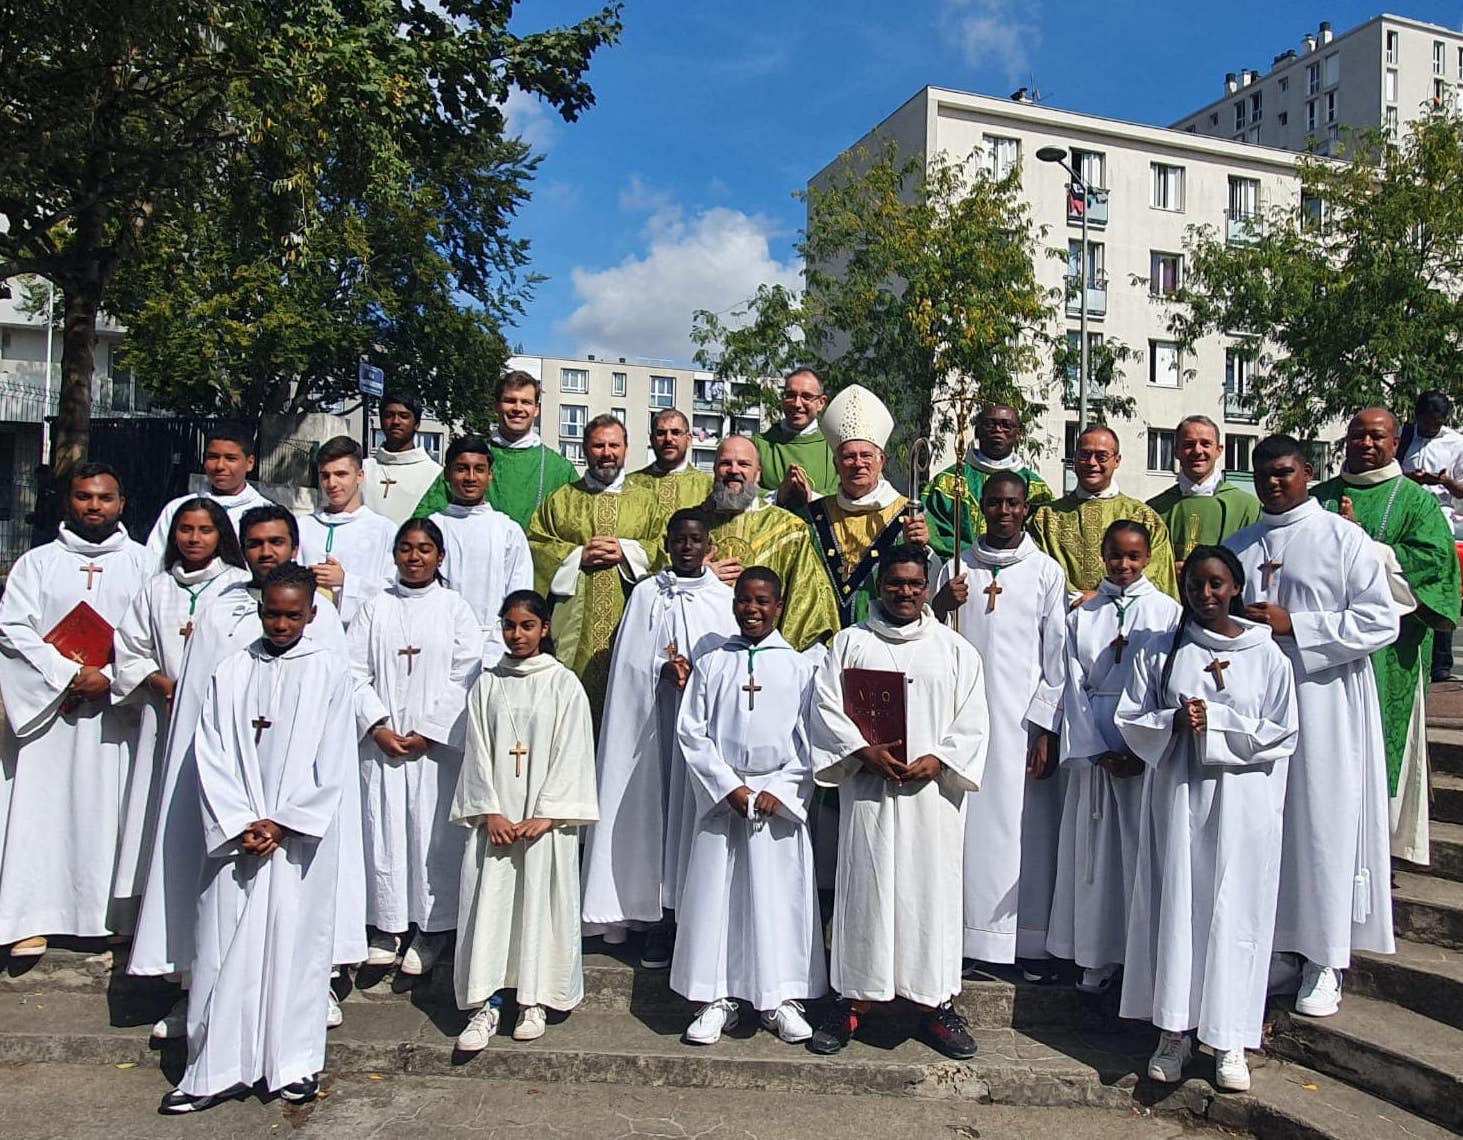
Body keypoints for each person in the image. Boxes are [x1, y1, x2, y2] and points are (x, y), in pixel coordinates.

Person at [128, 506, 353, 1038]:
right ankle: (198, 987)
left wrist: (290, 810)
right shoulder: (220, 611)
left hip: (294, 792)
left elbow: (333, 714)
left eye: (277, 541)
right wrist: (225, 798)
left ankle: (309, 985)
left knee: (297, 898)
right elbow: (195, 713)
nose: (266, 552)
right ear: (242, 549)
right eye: (254, 543)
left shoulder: (317, 613)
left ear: (294, 546)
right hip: (227, 785)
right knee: (215, 897)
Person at [159, 565, 358, 1114]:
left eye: (294, 614)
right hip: (238, 839)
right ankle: (213, 1068)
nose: (282, 623)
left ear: (312, 615)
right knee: (222, 949)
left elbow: (335, 762)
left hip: (296, 846)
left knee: (296, 951)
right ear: (260, 609)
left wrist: (284, 822)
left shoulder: (330, 673)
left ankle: (293, 1066)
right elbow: (211, 749)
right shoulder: (232, 669)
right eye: (272, 612)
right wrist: (242, 819)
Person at [1224, 435, 1399, 1018]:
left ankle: (1325, 957)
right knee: (1266, 820)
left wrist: (1296, 624)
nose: (1275, 483)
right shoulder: (1239, 546)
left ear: (1308, 471)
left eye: (1285, 472)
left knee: (1320, 820)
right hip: (1256, 704)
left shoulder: (1345, 540)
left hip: (1324, 698)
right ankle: (1276, 946)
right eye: (1265, 474)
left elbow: (1380, 622)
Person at [1116, 546, 1298, 1094]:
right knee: (1178, 911)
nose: (1206, 594)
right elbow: (1131, 717)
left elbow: (1281, 732)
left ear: (1235, 587)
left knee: (1234, 916)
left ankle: (1230, 1039)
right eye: (1196, 584)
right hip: (1179, 801)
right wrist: (1172, 720)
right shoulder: (1165, 649)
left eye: (1217, 584)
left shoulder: (1268, 655)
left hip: (1243, 805)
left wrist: (1214, 722)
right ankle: (1173, 1032)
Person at [806, 547, 989, 1059]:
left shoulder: (954, 650)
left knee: (928, 897)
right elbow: (823, 709)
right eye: (894, 583)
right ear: (880, 586)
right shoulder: (849, 644)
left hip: (931, 799)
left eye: (914, 583)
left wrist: (939, 759)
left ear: (927, 587)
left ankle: (935, 1004)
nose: (905, 592)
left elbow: (973, 721)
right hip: (870, 793)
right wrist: (861, 750)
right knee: (867, 893)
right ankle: (851, 1003)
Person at [671, 567, 828, 1045]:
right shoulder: (713, 663)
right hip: (725, 802)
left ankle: (781, 998)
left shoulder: (798, 667)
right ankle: (716, 996)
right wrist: (727, 787)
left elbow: (813, 737)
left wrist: (782, 788)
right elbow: (691, 732)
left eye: (763, 601)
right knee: (718, 899)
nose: (752, 610)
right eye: (744, 600)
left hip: (777, 803)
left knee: (779, 900)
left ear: (779, 607)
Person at [0, 464, 150, 958]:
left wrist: (109, 677)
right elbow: (12, 629)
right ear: (69, 501)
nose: (94, 507)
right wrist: (68, 673)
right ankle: (31, 916)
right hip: (52, 714)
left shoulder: (144, 564)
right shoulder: (37, 563)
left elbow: (154, 633)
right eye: (84, 497)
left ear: (121, 504)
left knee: (115, 807)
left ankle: (114, 915)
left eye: (104, 498)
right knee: (44, 808)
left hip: (116, 712)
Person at [580, 509, 737, 968]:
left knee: (690, 819)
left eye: (696, 540)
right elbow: (628, 667)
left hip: (696, 735)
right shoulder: (647, 594)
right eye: (679, 540)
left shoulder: (722, 599)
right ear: (667, 544)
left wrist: (699, 674)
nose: (688, 548)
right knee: (650, 816)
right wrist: (660, 670)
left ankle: (689, 916)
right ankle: (650, 918)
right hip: (649, 728)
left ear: (709, 547)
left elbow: (727, 663)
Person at [933, 472, 1067, 979]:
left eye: (1013, 504)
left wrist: (1047, 728)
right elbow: (932, 640)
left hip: (1020, 727)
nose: (1004, 512)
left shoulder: (1045, 572)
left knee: (1021, 829)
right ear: (981, 508)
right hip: (965, 721)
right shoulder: (955, 565)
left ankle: (1026, 943)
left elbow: (1058, 658)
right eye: (994, 504)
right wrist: (941, 605)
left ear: (1026, 509)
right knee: (968, 830)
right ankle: (968, 939)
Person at [1312, 408, 1460, 867]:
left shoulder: (1416, 502)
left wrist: (1364, 548)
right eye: (1357, 435)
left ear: (1396, 443)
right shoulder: (1317, 498)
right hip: (1319, 655)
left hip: (1387, 657)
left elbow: (1435, 571)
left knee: (1378, 750)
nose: (1366, 444)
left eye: (1377, 436)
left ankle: (1375, 854)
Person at [452, 590, 597, 1051]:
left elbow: (574, 749)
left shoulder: (562, 683)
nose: (517, 635)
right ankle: (486, 1003)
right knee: (492, 907)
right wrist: (489, 810)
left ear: (544, 629)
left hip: (542, 826)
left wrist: (547, 814)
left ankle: (533, 998)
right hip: (496, 821)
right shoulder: (488, 684)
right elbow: (475, 747)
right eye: (509, 626)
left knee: (539, 904)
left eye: (526, 626)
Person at [1048, 521, 1181, 994]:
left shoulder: (1167, 612)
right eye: (1115, 556)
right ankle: (1096, 955)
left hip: (1143, 739)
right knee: (1095, 854)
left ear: (1148, 558)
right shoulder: (1083, 614)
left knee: (1141, 850)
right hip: (1095, 738)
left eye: (1134, 556)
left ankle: (1139, 954)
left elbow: (1172, 683)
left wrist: (1143, 745)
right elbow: (1068, 678)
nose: (1124, 566)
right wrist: (1095, 749)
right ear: (1103, 556)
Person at [351, 519, 481, 975]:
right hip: (384, 746)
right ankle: (387, 925)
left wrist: (429, 730)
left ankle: (433, 927)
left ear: (440, 557)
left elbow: (466, 673)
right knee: (383, 832)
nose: (414, 557)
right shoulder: (374, 608)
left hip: (434, 751)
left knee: (432, 834)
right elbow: (353, 671)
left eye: (425, 549)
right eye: (405, 549)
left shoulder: (455, 608)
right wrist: (377, 725)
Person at [112, 499, 249, 918]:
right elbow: (131, 647)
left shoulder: (238, 586)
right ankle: (152, 908)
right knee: (159, 804)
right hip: (164, 711)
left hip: (218, 714)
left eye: (205, 530)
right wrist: (158, 680)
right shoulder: (157, 587)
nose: (193, 538)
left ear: (221, 535)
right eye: (185, 529)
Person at [526, 414, 667, 724]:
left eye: (614, 445)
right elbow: (535, 546)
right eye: (598, 445)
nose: (607, 453)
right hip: (573, 629)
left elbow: (665, 551)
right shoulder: (561, 500)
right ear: (585, 449)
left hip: (629, 625)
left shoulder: (646, 503)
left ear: (626, 449)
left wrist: (628, 551)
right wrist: (578, 555)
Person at [806, 384, 934, 627]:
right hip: (822, 641)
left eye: (866, 455)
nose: (857, 464)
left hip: (888, 636)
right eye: (848, 456)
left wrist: (924, 549)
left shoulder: (911, 514)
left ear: (881, 461)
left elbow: (934, 582)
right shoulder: (813, 517)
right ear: (836, 464)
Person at [702, 435, 839, 651]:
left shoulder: (789, 528)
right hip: (704, 649)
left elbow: (809, 602)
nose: (733, 470)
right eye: (725, 463)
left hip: (766, 656)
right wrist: (699, 576)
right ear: (715, 470)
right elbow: (663, 582)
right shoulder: (694, 524)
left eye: (744, 464)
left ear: (758, 474)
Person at [1029, 425, 1179, 603]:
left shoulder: (1143, 517)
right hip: (1065, 616)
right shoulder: (1046, 518)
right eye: (1085, 455)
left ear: (1117, 460)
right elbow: (1037, 570)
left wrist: (1105, 597)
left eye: (1101, 456)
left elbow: (1157, 575)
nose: (1092, 463)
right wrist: (1077, 598)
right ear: (1075, 458)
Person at [430, 434, 535, 665]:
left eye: (479, 469)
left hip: (493, 650)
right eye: (461, 469)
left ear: (490, 475)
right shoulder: (432, 528)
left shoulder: (508, 531)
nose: (470, 477)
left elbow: (519, 597)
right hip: (439, 646)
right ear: (447, 474)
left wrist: (494, 650)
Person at [924, 403, 1055, 559]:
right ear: (977, 432)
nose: (998, 430)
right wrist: (972, 557)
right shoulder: (949, 481)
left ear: (1018, 434)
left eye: (1006, 426)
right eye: (990, 424)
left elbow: (1047, 539)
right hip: (962, 570)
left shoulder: (1035, 488)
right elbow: (930, 530)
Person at [298, 436, 397, 627]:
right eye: (325, 475)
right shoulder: (303, 526)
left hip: (359, 631)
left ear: (359, 476)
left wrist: (346, 582)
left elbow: (392, 590)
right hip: (308, 631)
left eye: (341, 474)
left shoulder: (384, 530)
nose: (332, 483)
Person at [1401, 389, 1463, 681]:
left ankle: (1441, 663)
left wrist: (1443, 480)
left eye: (1436, 424)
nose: (1430, 428)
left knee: (1437, 589)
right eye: (1426, 422)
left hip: (1440, 517)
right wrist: (1408, 479)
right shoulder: (1404, 437)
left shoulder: (1456, 443)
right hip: (1406, 517)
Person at [1145, 416, 1260, 573]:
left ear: (1219, 450)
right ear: (1176, 451)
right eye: (1189, 445)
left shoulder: (1248, 507)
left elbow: (1255, 564)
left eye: (1206, 444)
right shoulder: (1153, 510)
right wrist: (1168, 571)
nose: (1198, 451)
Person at [144, 424, 270, 566]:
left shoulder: (267, 512)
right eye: (213, 457)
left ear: (249, 463)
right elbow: (154, 561)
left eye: (230, 458)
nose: (220, 466)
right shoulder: (178, 509)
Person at [484, 370, 579, 530]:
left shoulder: (560, 469)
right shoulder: (469, 459)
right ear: (496, 406)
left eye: (526, 402)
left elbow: (578, 524)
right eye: (510, 400)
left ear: (536, 409)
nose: (518, 408)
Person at [753, 368, 838, 508]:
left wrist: (812, 497)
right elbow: (741, 492)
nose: (797, 404)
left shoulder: (835, 446)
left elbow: (848, 494)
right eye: (790, 395)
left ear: (821, 403)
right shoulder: (759, 445)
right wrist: (778, 496)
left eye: (806, 396)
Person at [361, 394, 449, 525]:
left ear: (417, 424)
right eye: (389, 415)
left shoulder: (435, 474)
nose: (395, 421)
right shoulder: (362, 469)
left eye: (404, 416)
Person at [626, 409, 714, 512]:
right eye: (661, 433)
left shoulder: (709, 487)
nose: (668, 439)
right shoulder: (630, 483)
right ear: (651, 440)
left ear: (688, 439)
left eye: (676, 433)